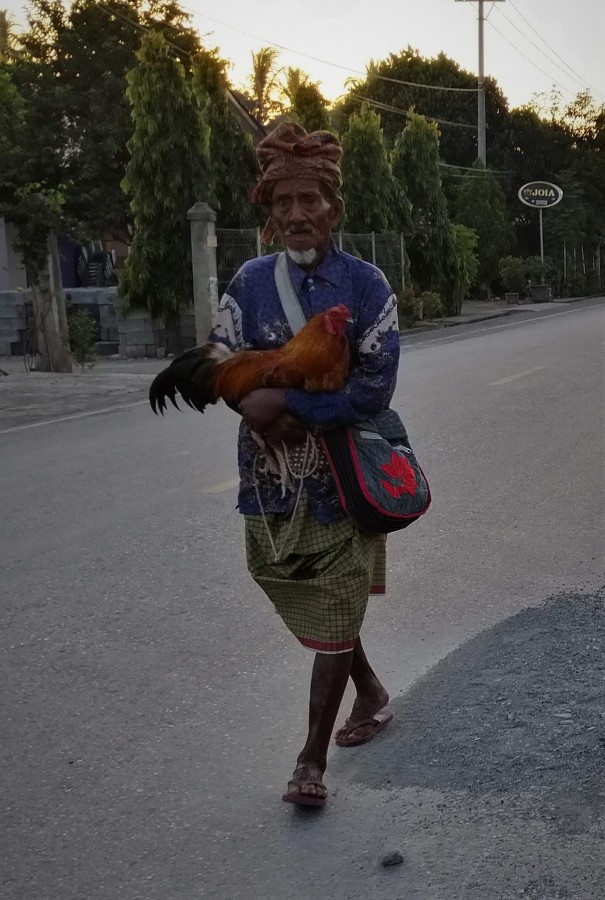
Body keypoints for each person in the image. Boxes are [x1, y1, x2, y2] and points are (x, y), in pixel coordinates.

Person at [209, 122, 401, 808]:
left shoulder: (366, 284)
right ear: (269, 214)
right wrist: (247, 405)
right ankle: (372, 692)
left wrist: (285, 408)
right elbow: (217, 358)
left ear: (333, 209)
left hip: (342, 475)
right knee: (299, 590)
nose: (296, 214)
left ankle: (308, 764)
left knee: (335, 596)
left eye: (309, 201)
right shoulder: (249, 282)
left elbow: (375, 386)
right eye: (282, 203)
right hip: (267, 480)